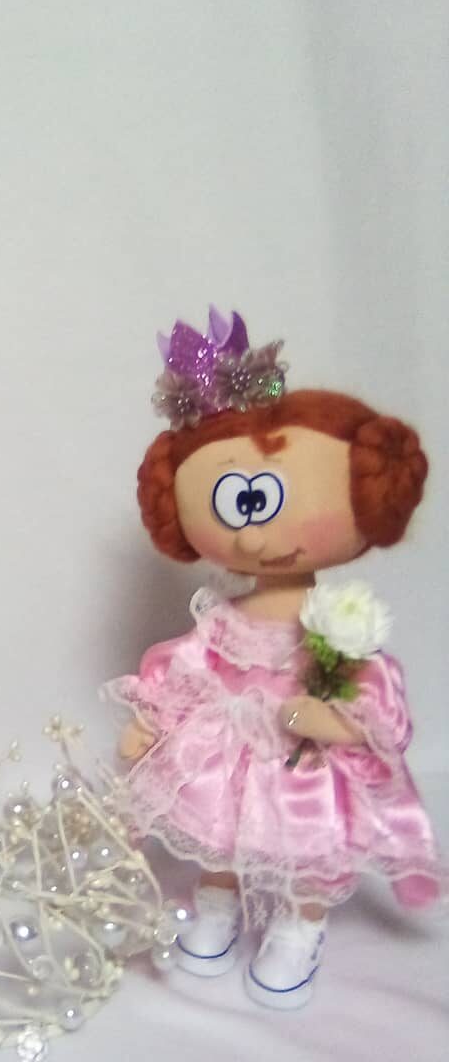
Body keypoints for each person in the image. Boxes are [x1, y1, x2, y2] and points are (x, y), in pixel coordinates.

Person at [106, 309, 442, 1009]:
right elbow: (192, 665)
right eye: (235, 504)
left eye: (264, 502)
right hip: (226, 750)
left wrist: (335, 719)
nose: (254, 538)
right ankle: (218, 904)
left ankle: (300, 924)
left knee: (308, 845)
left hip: (303, 762)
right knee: (219, 830)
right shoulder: (222, 619)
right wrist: (153, 719)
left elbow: (376, 694)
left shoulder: (339, 626)